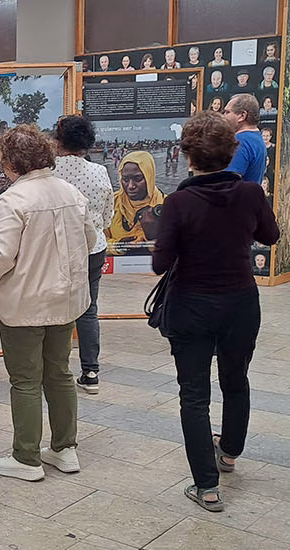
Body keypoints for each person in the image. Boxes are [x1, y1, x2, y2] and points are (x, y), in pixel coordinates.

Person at [155, 112, 281, 511]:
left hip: (191, 305)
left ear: (187, 154)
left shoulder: (178, 202)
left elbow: (161, 263)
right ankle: (229, 452)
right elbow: (271, 235)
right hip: (240, 303)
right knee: (236, 379)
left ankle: (206, 486)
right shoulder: (250, 194)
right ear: (231, 152)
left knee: (194, 394)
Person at [0, 126, 94, 482]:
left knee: (25, 379)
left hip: (23, 305)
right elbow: (90, 238)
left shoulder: (13, 200)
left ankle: (26, 458)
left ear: (11, 162)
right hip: (67, 300)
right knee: (59, 373)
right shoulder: (71, 192)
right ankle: (64, 449)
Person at [52, 117, 115, 396]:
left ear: (58, 140)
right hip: (93, 248)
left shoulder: (49, 172)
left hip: (57, 250)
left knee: (55, 309)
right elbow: (107, 216)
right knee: (88, 309)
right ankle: (90, 371)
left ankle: (55, 369)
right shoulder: (100, 172)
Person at [108, 152, 167, 245]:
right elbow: (98, 241)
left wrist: (153, 238)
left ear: (149, 176)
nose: (131, 186)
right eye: (125, 179)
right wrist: (118, 246)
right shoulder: (111, 203)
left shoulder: (168, 204)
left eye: (138, 178)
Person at [223, 94, 269, 184]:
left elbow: (228, 184)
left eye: (227, 112)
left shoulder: (240, 141)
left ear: (242, 116)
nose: (223, 116)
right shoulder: (257, 138)